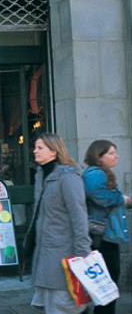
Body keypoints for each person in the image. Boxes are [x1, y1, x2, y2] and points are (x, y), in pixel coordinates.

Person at [27, 133, 91, 314]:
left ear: (54, 152)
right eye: (36, 147)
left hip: (64, 257)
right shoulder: (42, 175)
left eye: (40, 148)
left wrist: (82, 256)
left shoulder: (68, 178)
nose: (35, 151)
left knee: (66, 306)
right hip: (46, 255)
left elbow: (79, 218)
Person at [82, 140, 131, 314]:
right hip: (102, 237)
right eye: (111, 153)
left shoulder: (101, 173)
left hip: (107, 236)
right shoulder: (95, 174)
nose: (116, 156)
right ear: (99, 156)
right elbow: (99, 196)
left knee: (108, 286)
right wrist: (121, 199)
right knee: (107, 287)